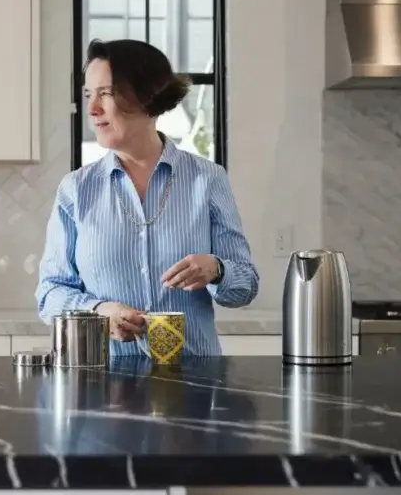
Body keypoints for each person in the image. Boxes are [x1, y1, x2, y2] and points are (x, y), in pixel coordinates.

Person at [35, 38, 259, 357]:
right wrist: (98, 311)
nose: (92, 109)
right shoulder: (75, 190)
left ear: (145, 95)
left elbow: (245, 286)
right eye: (88, 95)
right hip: (103, 381)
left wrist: (217, 269)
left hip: (196, 380)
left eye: (105, 93)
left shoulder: (208, 179)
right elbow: (50, 294)